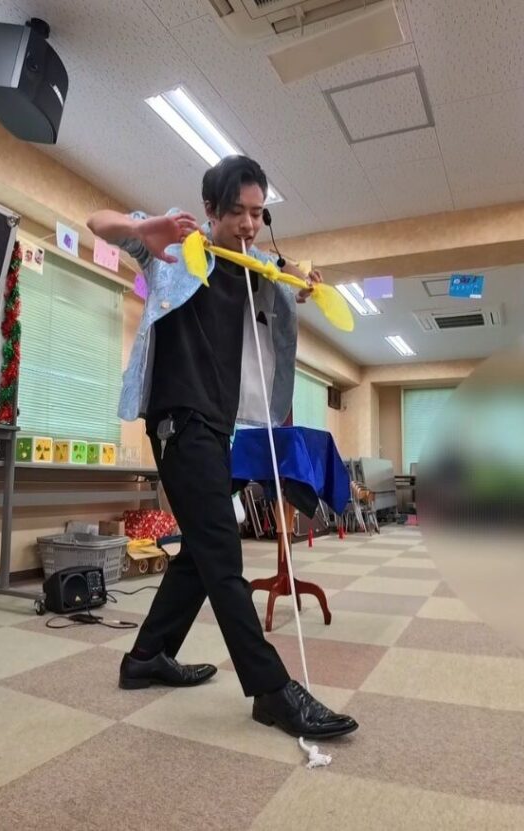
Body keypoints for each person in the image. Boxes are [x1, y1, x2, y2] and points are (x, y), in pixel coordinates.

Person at [87, 155, 358, 739]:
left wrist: (301, 283)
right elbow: (97, 222)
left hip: (217, 426)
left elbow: (287, 274)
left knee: (200, 550)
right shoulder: (172, 249)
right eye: (237, 211)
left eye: (258, 213)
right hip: (177, 422)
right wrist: (144, 228)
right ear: (210, 208)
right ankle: (271, 689)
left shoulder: (253, 267)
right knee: (222, 553)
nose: (249, 224)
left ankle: (146, 657)